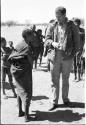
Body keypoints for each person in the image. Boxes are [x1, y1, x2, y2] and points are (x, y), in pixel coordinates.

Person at [45, 6, 81, 111]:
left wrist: (72, 54)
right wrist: (53, 43)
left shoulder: (72, 26)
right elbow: (47, 39)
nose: (57, 18)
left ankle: (65, 99)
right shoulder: (52, 25)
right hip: (54, 56)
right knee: (54, 80)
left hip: (67, 58)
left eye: (59, 16)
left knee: (65, 80)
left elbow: (77, 42)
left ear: (65, 15)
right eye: (56, 16)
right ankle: (54, 102)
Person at [8, 28, 34, 122]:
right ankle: (27, 116)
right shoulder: (27, 46)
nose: (33, 36)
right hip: (24, 71)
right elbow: (30, 60)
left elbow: (12, 56)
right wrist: (30, 67)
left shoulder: (19, 44)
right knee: (27, 91)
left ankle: (20, 111)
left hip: (15, 71)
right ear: (26, 36)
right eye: (32, 35)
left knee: (19, 90)